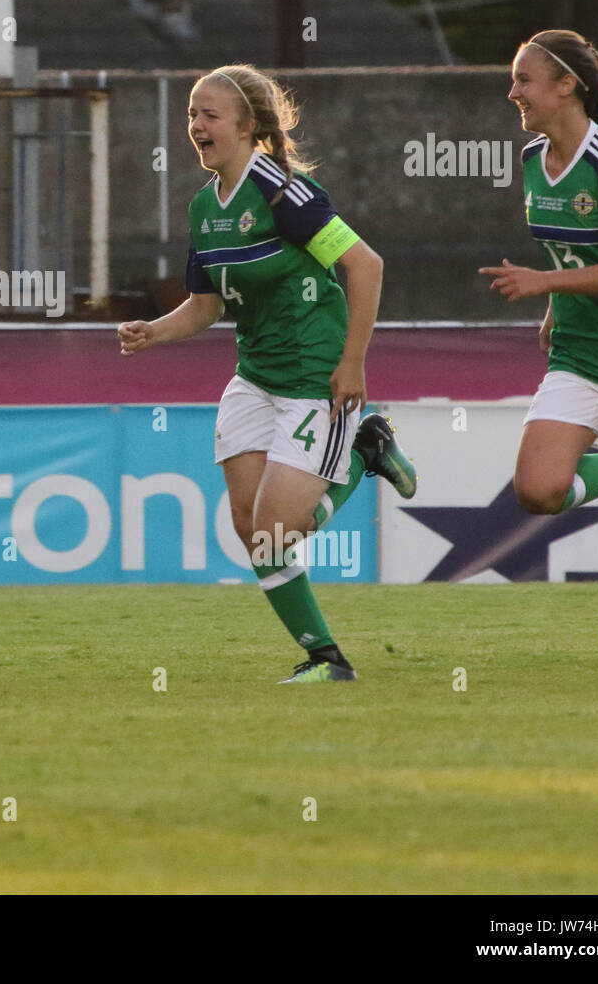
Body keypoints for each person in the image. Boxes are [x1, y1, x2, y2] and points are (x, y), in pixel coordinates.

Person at [118, 64, 416, 684]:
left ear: (249, 127)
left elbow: (366, 266)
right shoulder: (205, 207)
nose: (196, 125)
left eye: (210, 115)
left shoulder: (286, 194)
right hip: (255, 378)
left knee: (282, 528)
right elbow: (205, 305)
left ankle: (366, 449)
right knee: (255, 533)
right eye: (192, 114)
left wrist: (353, 362)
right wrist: (154, 330)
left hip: (314, 377)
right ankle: (326, 660)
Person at [482, 29, 598, 662]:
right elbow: (571, 247)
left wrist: (545, 284)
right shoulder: (534, 161)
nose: (514, 92)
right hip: (580, 355)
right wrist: (557, 307)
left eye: (524, 80)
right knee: (537, 491)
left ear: (566, 86)